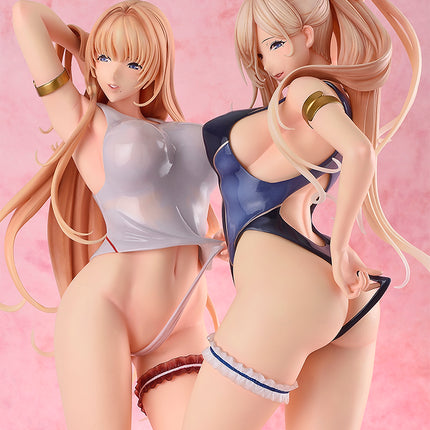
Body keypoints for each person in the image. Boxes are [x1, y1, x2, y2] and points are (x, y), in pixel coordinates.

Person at [182, 0, 430, 429]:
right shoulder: (317, 100)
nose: (267, 63)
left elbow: (359, 152)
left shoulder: (303, 89)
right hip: (336, 293)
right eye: (259, 53)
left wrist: (342, 245)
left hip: (289, 291)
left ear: (307, 35)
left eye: (275, 44)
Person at [1, 1, 222, 429]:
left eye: (132, 62)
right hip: (105, 308)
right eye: (105, 58)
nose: (112, 73)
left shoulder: (177, 129)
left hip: (182, 322)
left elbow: (197, 214)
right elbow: (26, 14)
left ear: (154, 68)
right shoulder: (84, 119)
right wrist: (84, 47)